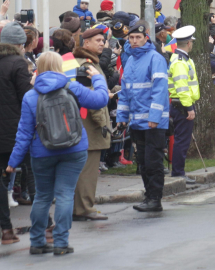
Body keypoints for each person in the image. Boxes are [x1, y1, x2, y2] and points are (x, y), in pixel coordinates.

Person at [5, 52, 108, 255]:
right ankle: (61, 242)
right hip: (74, 148)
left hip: (42, 152)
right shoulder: (72, 88)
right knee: (65, 194)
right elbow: (101, 99)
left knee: (42, 197)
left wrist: (13, 162)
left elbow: (24, 133)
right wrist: (97, 77)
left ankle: (37, 241)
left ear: (38, 69)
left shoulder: (30, 95)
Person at [117, 20, 170, 213]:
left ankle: (155, 199)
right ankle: (149, 196)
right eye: (131, 38)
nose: (134, 41)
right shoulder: (130, 60)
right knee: (143, 163)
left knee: (153, 162)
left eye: (138, 37)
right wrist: (121, 117)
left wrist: (154, 117)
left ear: (145, 38)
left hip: (153, 122)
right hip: (137, 121)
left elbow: (160, 90)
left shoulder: (155, 59)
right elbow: (125, 92)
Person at [71, 28, 112, 221]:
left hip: (83, 123)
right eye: (97, 40)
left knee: (82, 169)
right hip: (90, 125)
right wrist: (103, 124)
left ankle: (79, 207)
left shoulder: (87, 62)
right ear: (85, 43)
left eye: (103, 40)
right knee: (88, 171)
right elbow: (91, 98)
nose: (102, 43)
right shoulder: (87, 65)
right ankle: (85, 208)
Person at [0, 23, 32, 245]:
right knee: (34, 174)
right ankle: (47, 226)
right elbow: (27, 98)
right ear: (20, 45)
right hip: (16, 130)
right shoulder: (18, 63)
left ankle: (6, 230)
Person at [168, 26, 200, 183]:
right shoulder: (181, 62)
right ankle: (178, 173)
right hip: (182, 105)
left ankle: (178, 171)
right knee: (182, 141)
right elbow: (182, 87)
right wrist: (189, 108)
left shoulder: (181, 59)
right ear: (188, 43)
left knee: (182, 140)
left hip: (180, 104)